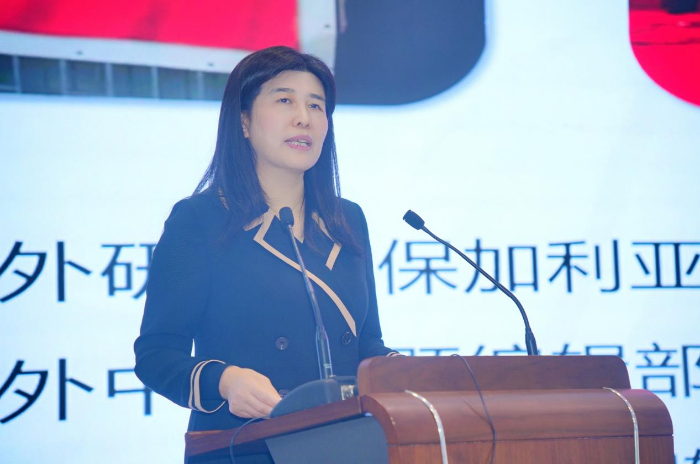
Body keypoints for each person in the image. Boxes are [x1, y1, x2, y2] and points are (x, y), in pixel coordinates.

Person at [133, 46, 397, 463]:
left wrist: (407, 372)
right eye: (285, 100)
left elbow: (366, 343)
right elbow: (156, 355)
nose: (304, 118)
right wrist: (224, 380)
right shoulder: (201, 219)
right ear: (243, 121)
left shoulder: (347, 219)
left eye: (316, 105)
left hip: (347, 445)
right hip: (245, 447)